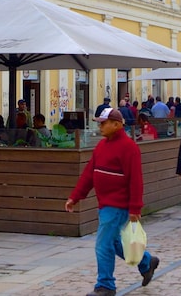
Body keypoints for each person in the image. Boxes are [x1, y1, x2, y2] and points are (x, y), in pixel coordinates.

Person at [65, 107, 160, 296]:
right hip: (105, 204)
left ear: (116, 125)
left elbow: (136, 180)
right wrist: (75, 196)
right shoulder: (101, 146)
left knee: (102, 244)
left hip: (118, 205)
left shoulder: (129, 147)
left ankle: (106, 285)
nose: (100, 126)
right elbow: (89, 174)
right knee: (115, 243)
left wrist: (135, 208)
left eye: (103, 123)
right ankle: (146, 262)